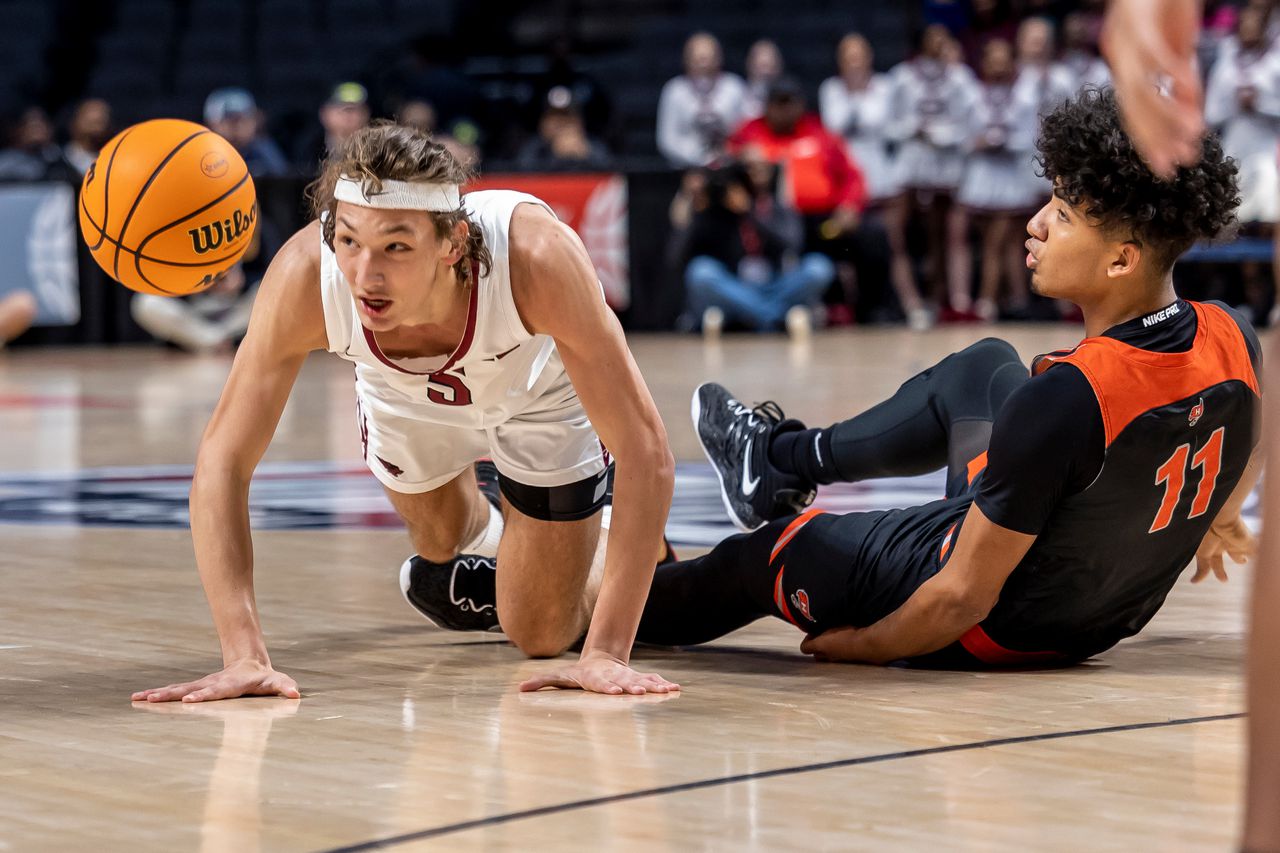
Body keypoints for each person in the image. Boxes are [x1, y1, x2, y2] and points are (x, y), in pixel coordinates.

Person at [640, 89, 1261, 677]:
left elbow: (959, 598)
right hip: (1094, 619)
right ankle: (777, 461)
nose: (1036, 224)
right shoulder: (1233, 335)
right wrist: (1224, 518)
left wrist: (866, 647)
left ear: (1121, 260)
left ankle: (628, 598)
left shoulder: (1070, 395)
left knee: (766, 554)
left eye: (1062, 216)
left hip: (985, 628)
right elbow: (1251, 445)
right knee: (985, 365)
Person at [131, 122, 678, 702]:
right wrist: (242, 655)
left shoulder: (536, 257)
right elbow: (223, 459)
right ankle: (513, 539)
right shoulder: (305, 278)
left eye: (395, 246)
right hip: (401, 391)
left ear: (453, 243)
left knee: (539, 632)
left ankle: (606, 527)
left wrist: (606, 653)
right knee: (439, 542)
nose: (366, 275)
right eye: (348, 241)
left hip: (535, 391)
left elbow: (648, 451)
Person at [885, 26, 981, 330]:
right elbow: (887, 124)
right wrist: (911, 129)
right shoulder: (902, 76)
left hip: (946, 166)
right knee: (898, 234)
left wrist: (947, 136)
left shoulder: (960, 78)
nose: (940, 43)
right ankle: (910, 301)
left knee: (944, 235)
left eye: (944, 37)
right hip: (910, 165)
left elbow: (973, 122)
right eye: (933, 37)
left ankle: (946, 299)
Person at [681, 159, 834, 337]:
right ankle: (779, 317)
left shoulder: (778, 207)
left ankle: (748, 316)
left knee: (818, 267)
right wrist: (696, 205)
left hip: (776, 284)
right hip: (736, 287)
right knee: (700, 271)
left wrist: (748, 211)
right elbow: (680, 256)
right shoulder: (718, 213)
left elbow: (791, 244)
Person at [951, 38, 1040, 322]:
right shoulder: (973, 96)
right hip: (981, 178)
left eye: (1004, 59)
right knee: (991, 241)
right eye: (994, 59)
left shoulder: (1024, 97)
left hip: (1010, 176)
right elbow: (961, 135)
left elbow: (1030, 137)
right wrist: (976, 142)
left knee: (1000, 242)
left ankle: (989, 300)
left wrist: (1001, 141)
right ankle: (1005, 299)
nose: (999, 65)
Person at [656, 32, 747, 167]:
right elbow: (667, 140)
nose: (703, 64)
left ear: (719, 58)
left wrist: (729, 150)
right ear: (686, 60)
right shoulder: (675, 90)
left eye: (708, 58)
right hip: (686, 168)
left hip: (730, 165)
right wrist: (698, 158)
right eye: (698, 59)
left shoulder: (734, 87)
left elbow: (747, 129)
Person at [516, 88, 612, 171]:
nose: (560, 122)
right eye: (554, 115)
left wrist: (585, 156)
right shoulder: (533, 149)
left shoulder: (593, 147)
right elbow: (522, 177)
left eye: (566, 115)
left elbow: (613, 177)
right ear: (543, 121)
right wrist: (555, 155)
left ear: (578, 121)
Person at [204, 88, 291, 178]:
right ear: (210, 124)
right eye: (229, 119)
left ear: (255, 121)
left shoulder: (264, 149)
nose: (237, 125)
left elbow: (282, 178)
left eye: (243, 118)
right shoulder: (204, 154)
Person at [293, 82, 372, 176]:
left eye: (356, 110)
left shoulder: (379, 151)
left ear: (367, 114)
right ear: (324, 113)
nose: (349, 116)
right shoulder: (309, 152)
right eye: (343, 109)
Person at [61, 98, 112, 176]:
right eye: (91, 123)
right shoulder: (59, 161)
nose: (96, 129)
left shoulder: (115, 161)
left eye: (100, 122)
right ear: (74, 123)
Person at [741, 39, 785, 120]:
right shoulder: (738, 95)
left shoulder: (788, 100)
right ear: (750, 65)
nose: (766, 72)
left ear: (779, 67)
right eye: (762, 66)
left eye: (770, 66)